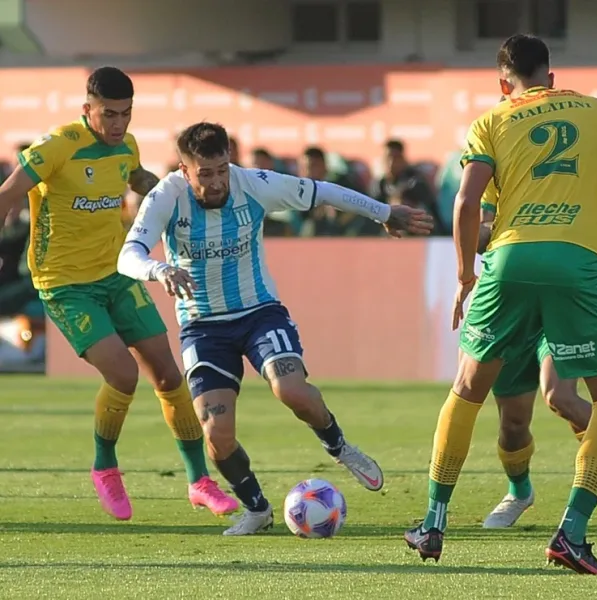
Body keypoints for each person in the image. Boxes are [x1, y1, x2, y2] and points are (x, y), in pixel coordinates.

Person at [117, 121, 433, 536]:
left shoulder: (255, 184)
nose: (215, 183)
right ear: (184, 169)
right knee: (216, 433)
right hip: (203, 326)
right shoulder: (166, 196)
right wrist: (159, 269)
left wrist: (385, 213)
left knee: (292, 391)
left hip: (259, 312)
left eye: (221, 170)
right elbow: (129, 255)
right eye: (204, 174)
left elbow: (324, 191)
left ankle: (338, 446)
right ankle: (257, 508)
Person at [0, 67, 237, 521]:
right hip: (66, 286)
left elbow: (136, 177)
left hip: (117, 274)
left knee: (169, 375)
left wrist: (174, 187)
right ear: (87, 109)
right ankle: (105, 466)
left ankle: (199, 482)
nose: (117, 124)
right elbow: (7, 195)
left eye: (125, 114)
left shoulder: (125, 145)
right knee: (124, 375)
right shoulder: (56, 148)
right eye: (108, 114)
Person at [404, 34, 597, 574]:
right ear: (552, 77)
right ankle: (573, 532)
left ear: (503, 82)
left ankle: (433, 524)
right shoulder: (593, 112)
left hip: (510, 261)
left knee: (467, 389)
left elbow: (468, 203)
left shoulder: (493, 120)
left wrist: (466, 275)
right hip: (579, 263)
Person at [473, 182, 592, 528]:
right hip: (511, 306)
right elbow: (480, 230)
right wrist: (480, 231)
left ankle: (589, 485)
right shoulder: (500, 181)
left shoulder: (578, 170)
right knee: (512, 425)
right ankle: (519, 492)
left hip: (563, 300)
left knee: (560, 395)